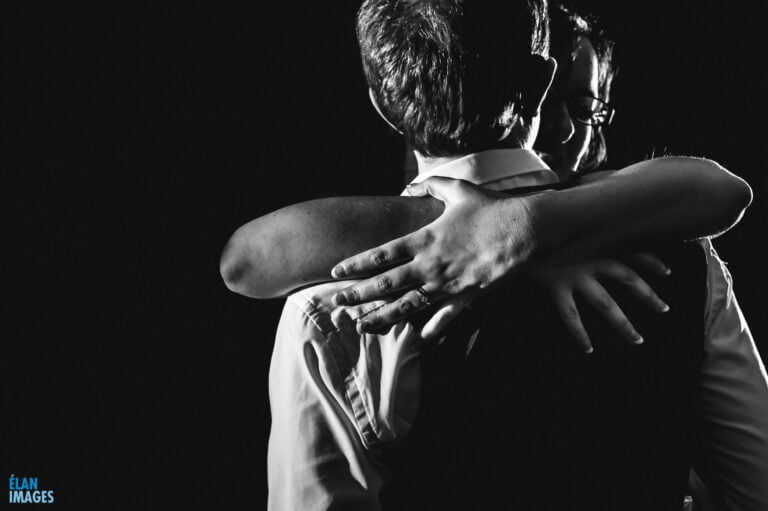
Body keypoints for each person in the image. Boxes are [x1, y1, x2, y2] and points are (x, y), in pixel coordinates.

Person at [221, 2, 766, 509]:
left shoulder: (331, 314)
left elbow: (244, 263)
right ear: (540, 82)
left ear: (381, 104)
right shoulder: (686, 261)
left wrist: (519, 227)